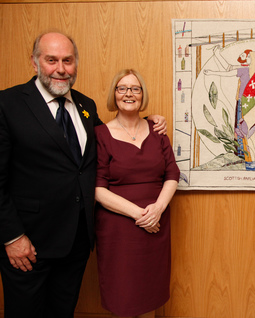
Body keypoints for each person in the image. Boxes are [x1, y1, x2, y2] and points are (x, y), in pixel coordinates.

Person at [0, 31, 166, 318]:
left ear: (75, 64)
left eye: (68, 60)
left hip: (76, 241)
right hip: (29, 244)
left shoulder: (85, 106)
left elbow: (115, 137)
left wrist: (148, 119)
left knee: (63, 311)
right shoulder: (8, 104)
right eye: (51, 60)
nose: (61, 69)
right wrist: (12, 237)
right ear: (35, 62)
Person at [94, 69, 180, 318]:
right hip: (118, 228)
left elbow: (172, 174)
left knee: (149, 294)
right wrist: (140, 215)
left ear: (143, 94)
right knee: (123, 296)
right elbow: (97, 188)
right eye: (122, 88)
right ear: (114, 94)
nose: (128, 94)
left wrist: (158, 210)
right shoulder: (100, 134)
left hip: (156, 224)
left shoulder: (158, 130)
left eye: (135, 88)